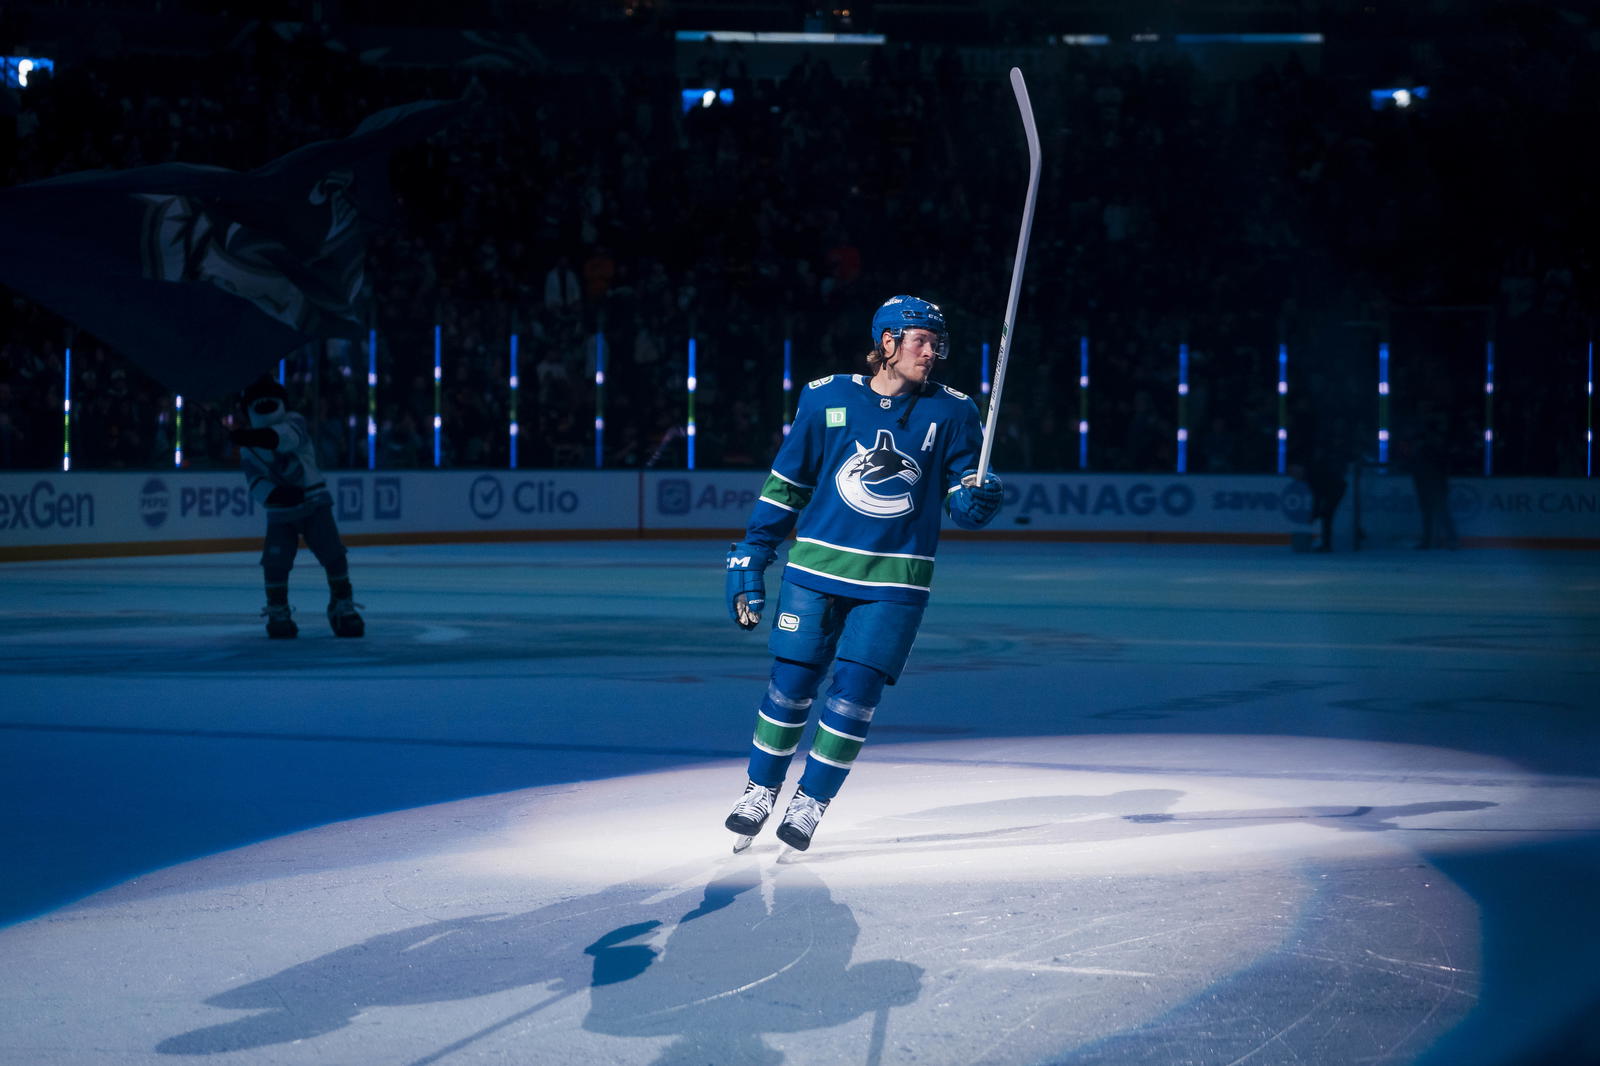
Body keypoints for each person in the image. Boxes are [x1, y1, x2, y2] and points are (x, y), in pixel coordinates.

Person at [722, 295, 1004, 852]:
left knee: (855, 693)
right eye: (921, 340)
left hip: (894, 583)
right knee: (791, 683)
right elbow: (788, 486)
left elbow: (959, 494)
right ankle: (760, 789)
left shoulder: (955, 411)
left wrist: (975, 502)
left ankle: (811, 800)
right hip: (814, 571)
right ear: (888, 342)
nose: (933, 352)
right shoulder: (826, 397)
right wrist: (752, 555)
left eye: (936, 342)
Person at [229, 376, 364, 639]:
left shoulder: (295, 422)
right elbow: (255, 481)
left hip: (314, 503)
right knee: (275, 562)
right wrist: (275, 494)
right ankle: (278, 607)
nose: (266, 407)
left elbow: (283, 439)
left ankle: (341, 601)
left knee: (333, 553)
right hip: (281, 512)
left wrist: (250, 436)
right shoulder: (248, 450)